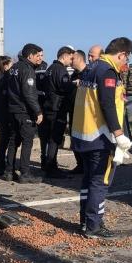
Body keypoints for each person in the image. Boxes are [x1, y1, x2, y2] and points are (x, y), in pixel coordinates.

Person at [71, 36, 132, 239]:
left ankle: (85, 222)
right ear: (122, 54)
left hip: (83, 134)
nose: (126, 63)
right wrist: (119, 134)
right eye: (126, 59)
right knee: (100, 182)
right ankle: (94, 226)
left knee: (88, 180)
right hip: (100, 136)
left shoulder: (91, 68)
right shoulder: (107, 71)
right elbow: (107, 104)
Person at [5, 43, 45, 183]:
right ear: (30, 56)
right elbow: (28, 94)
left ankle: (9, 171)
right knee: (27, 142)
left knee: (13, 141)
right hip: (24, 112)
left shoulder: (13, 68)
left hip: (13, 110)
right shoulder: (27, 69)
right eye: (37, 55)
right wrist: (38, 111)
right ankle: (25, 173)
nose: (39, 58)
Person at [39, 46, 76, 177]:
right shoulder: (60, 70)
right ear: (64, 56)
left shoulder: (50, 69)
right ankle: (51, 167)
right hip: (57, 109)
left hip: (49, 107)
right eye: (71, 58)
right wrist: (74, 84)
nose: (71, 61)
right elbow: (64, 88)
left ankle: (47, 164)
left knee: (49, 139)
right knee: (54, 140)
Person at [68, 50, 88, 174]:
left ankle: (86, 165)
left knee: (85, 140)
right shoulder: (74, 75)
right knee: (74, 139)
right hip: (73, 111)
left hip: (85, 114)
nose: (70, 61)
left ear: (80, 59)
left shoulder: (89, 74)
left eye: (72, 59)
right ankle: (80, 164)